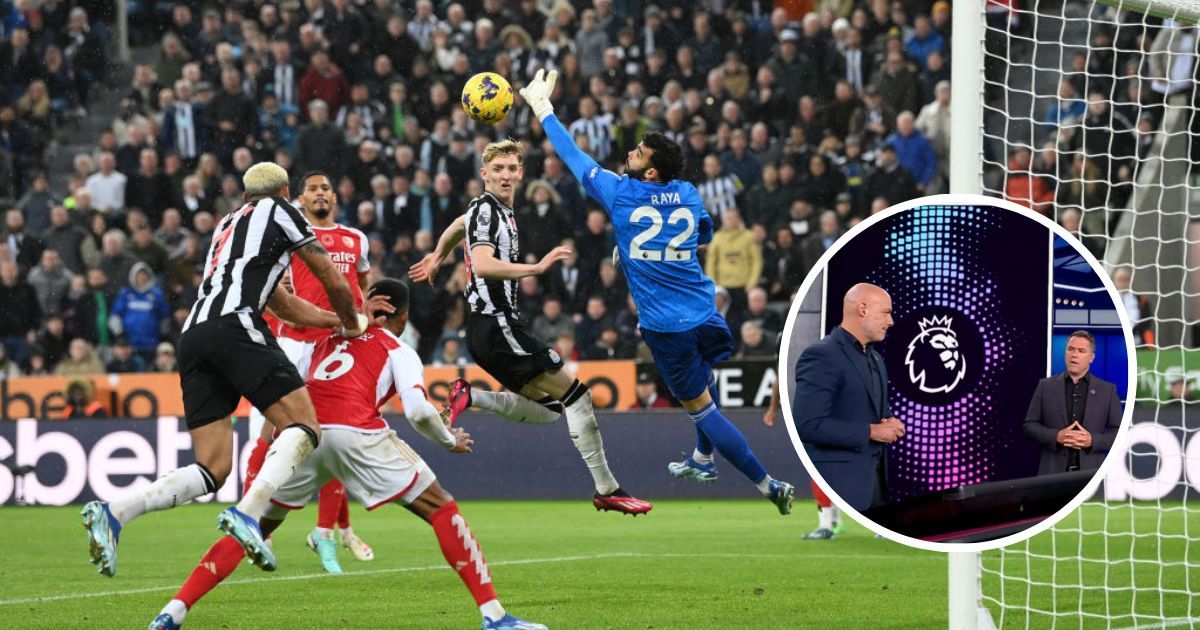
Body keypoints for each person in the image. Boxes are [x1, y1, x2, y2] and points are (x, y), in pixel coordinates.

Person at [149, 279, 546, 630]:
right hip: (358, 432)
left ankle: (173, 610)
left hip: (305, 434)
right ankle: (495, 616)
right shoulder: (398, 348)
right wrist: (448, 441)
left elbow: (289, 388)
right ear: (403, 316)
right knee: (441, 509)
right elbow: (420, 411)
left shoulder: (323, 341)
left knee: (252, 527)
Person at [524, 69, 793, 513]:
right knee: (704, 380)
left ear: (648, 170)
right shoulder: (687, 191)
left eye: (638, 152)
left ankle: (768, 484)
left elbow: (573, 157)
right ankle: (703, 457)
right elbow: (702, 233)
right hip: (707, 312)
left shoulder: (621, 193)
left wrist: (544, 110)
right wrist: (648, 249)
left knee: (703, 409)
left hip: (668, 327)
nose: (629, 152)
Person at [82, 162, 364, 578]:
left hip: (194, 335)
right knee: (305, 426)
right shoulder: (283, 211)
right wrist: (353, 320)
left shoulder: (228, 224)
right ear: (286, 192)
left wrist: (332, 321)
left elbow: (280, 304)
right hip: (236, 326)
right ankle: (250, 514)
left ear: (245, 195)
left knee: (213, 467)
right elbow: (331, 275)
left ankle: (117, 511)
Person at [410, 139, 651, 516]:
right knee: (578, 397)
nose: (506, 175)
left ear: (521, 173)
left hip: (490, 331)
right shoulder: (489, 211)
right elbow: (485, 263)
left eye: (511, 168)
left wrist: (439, 254)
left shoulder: (487, 210)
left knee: (554, 409)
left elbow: (460, 225)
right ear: (484, 174)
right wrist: (535, 269)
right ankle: (608, 489)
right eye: (498, 169)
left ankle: (472, 397)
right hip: (497, 325)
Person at [246, 170, 376, 573]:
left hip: (335, 346)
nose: (320, 194)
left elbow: (365, 291)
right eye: (312, 189)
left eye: (325, 188)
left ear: (334, 195)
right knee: (269, 435)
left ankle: (325, 535)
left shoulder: (356, 238)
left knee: (334, 437)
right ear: (299, 199)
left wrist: (365, 323)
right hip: (293, 343)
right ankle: (253, 527)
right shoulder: (290, 233)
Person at [792, 283, 905, 512]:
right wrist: (872, 431)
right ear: (862, 309)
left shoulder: (875, 359)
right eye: (886, 312)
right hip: (842, 481)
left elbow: (875, 412)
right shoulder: (822, 355)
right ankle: (827, 522)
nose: (891, 321)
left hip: (878, 485)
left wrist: (890, 422)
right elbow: (807, 425)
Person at [1022, 330, 1122, 474]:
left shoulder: (1107, 390)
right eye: (1070, 349)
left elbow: (1119, 433)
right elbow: (1029, 426)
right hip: (1051, 475)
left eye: (1081, 351)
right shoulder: (1045, 386)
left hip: (1091, 476)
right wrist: (1056, 436)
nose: (1074, 355)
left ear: (1091, 357)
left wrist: (1093, 440)